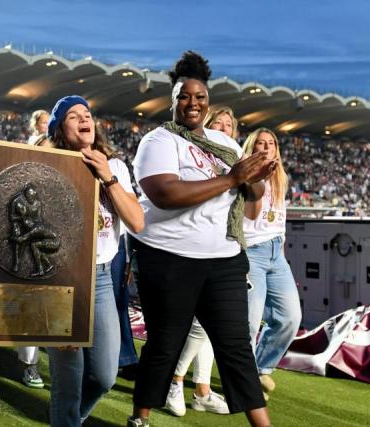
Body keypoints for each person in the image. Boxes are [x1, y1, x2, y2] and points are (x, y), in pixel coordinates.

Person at [127, 51, 275, 427]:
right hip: (169, 258)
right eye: (184, 96)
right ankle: (140, 418)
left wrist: (258, 176)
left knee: (237, 348)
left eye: (200, 97)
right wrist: (232, 178)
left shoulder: (224, 143)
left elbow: (252, 195)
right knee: (164, 344)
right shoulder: (158, 141)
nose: (192, 103)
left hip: (223, 260)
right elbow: (166, 195)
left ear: (208, 102)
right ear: (172, 100)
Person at [46, 95, 144, 426]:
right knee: (68, 381)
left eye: (87, 114)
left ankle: (69, 420)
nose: (83, 119)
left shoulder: (114, 165)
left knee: (104, 376)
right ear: (60, 128)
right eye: (73, 116)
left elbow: (137, 222)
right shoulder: (48, 164)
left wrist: (107, 176)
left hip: (102, 278)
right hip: (60, 279)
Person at [164, 105, 241, 417]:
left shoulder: (234, 164)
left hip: (226, 248)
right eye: (217, 124)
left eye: (228, 125)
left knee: (211, 324)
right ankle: (175, 380)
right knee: (199, 324)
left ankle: (202, 390)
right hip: (190, 250)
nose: (223, 129)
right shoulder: (192, 158)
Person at [242, 127, 301, 401]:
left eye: (271, 143)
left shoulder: (281, 178)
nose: (266, 147)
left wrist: (282, 245)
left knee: (291, 317)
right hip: (252, 251)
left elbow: (280, 216)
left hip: (277, 252)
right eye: (260, 143)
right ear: (252, 148)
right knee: (250, 322)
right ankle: (246, 382)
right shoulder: (243, 173)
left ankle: (261, 366)